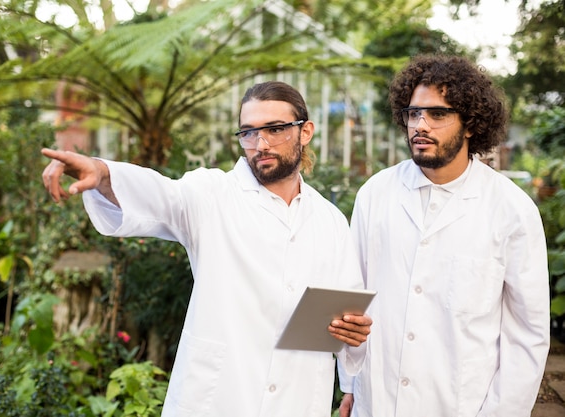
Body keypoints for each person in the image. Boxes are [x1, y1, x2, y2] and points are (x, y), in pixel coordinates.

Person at [42, 81, 372, 417]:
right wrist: (102, 173)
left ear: (305, 132)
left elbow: (349, 316)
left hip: (297, 399)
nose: (261, 144)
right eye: (249, 133)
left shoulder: (329, 220)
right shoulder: (213, 193)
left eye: (275, 129)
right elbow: (161, 196)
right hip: (220, 399)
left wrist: (353, 334)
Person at [338, 54, 550, 417]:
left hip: (462, 406)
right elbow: (353, 302)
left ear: (470, 124)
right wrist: (352, 385)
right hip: (378, 401)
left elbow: (527, 335)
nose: (421, 125)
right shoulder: (375, 194)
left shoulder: (511, 210)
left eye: (437, 114)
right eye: (413, 113)